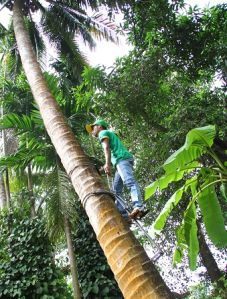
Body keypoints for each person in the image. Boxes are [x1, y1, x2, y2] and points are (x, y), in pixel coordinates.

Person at [86, 119, 147, 221]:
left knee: (129, 181)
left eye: (93, 127)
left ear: (100, 126)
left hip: (121, 160)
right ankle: (124, 215)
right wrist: (102, 169)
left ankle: (138, 206)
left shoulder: (103, 133)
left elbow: (107, 148)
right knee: (116, 190)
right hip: (121, 161)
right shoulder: (108, 133)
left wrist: (107, 164)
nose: (92, 130)